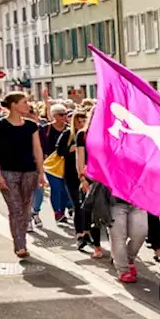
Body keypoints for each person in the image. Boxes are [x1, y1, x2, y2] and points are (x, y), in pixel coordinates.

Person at [0, 92, 46, 259]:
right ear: (13, 105)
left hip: (29, 171)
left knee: (26, 209)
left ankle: (21, 240)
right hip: (8, 172)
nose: (27, 105)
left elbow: (37, 149)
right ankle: (20, 245)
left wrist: (41, 173)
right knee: (15, 209)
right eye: (24, 102)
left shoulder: (31, 125)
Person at [54, 109, 101, 258]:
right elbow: (59, 151)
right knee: (78, 205)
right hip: (72, 175)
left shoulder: (95, 134)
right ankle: (80, 234)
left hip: (91, 175)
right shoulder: (69, 135)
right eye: (78, 121)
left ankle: (88, 233)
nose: (81, 123)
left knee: (90, 208)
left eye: (83, 120)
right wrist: (70, 149)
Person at [39, 104, 72, 224]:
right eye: (61, 114)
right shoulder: (45, 129)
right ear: (54, 116)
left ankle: (62, 211)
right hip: (51, 164)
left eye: (65, 114)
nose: (64, 117)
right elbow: (41, 147)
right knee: (56, 188)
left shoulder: (69, 129)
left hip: (67, 163)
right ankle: (57, 212)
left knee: (65, 189)